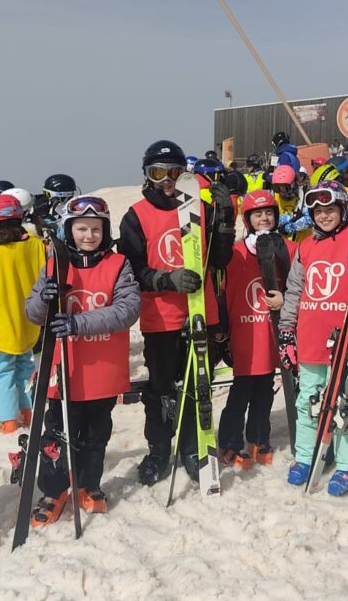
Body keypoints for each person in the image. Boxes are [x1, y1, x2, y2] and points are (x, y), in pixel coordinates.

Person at [117, 140, 235, 486]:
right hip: (161, 318)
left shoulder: (201, 209)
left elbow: (220, 259)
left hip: (201, 312)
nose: (167, 180)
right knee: (161, 390)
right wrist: (164, 279)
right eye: (158, 173)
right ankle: (158, 449)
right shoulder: (136, 215)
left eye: (174, 173)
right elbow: (130, 269)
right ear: (147, 176)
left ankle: (191, 446)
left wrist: (226, 220)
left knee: (198, 386)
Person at [23, 195, 140, 524]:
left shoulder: (118, 265)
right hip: (66, 371)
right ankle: (54, 489)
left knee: (96, 433)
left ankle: (89, 484)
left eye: (95, 229)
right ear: (68, 230)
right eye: (81, 229)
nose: (89, 235)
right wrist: (44, 301)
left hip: (103, 371)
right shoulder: (55, 265)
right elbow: (32, 313)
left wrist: (78, 324)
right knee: (58, 435)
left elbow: (126, 311)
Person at [278, 180, 348, 496]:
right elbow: (295, 293)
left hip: (345, 341)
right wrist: (286, 333)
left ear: (343, 209)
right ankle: (307, 455)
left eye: (330, 209)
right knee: (308, 400)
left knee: (343, 403)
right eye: (318, 210)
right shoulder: (306, 247)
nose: (324, 216)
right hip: (310, 338)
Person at [218, 190, 294, 468]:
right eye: (257, 214)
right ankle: (230, 441)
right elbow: (222, 290)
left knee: (264, 390)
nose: (264, 218)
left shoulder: (287, 248)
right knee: (241, 391)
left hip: (271, 332)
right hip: (244, 333)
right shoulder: (235, 253)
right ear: (248, 219)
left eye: (269, 213)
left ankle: (259, 438)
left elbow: (299, 285)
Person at [0, 194, 46, 432]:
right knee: (26, 367)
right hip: (31, 319)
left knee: (4, 371)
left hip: (2, 321)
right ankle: (28, 411)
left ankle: (8, 421)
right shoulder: (38, 246)